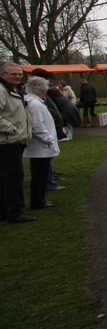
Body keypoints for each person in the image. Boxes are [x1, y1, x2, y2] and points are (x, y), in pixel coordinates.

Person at [0, 63, 34, 223]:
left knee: (7, 177)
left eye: (19, 74)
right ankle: (15, 212)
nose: (17, 77)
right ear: (2, 75)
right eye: (13, 74)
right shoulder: (2, 90)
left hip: (14, 140)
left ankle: (5, 211)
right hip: (7, 141)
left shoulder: (14, 90)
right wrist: (12, 129)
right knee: (14, 177)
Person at [23, 76, 60, 211]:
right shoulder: (35, 104)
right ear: (41, 89)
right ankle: (38, 201)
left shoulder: (34, 102)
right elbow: (37, 126)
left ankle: (39, 199)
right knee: (39, 175)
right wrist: (49, 139)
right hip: (41, 146)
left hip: (40, 146)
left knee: (40, 174)